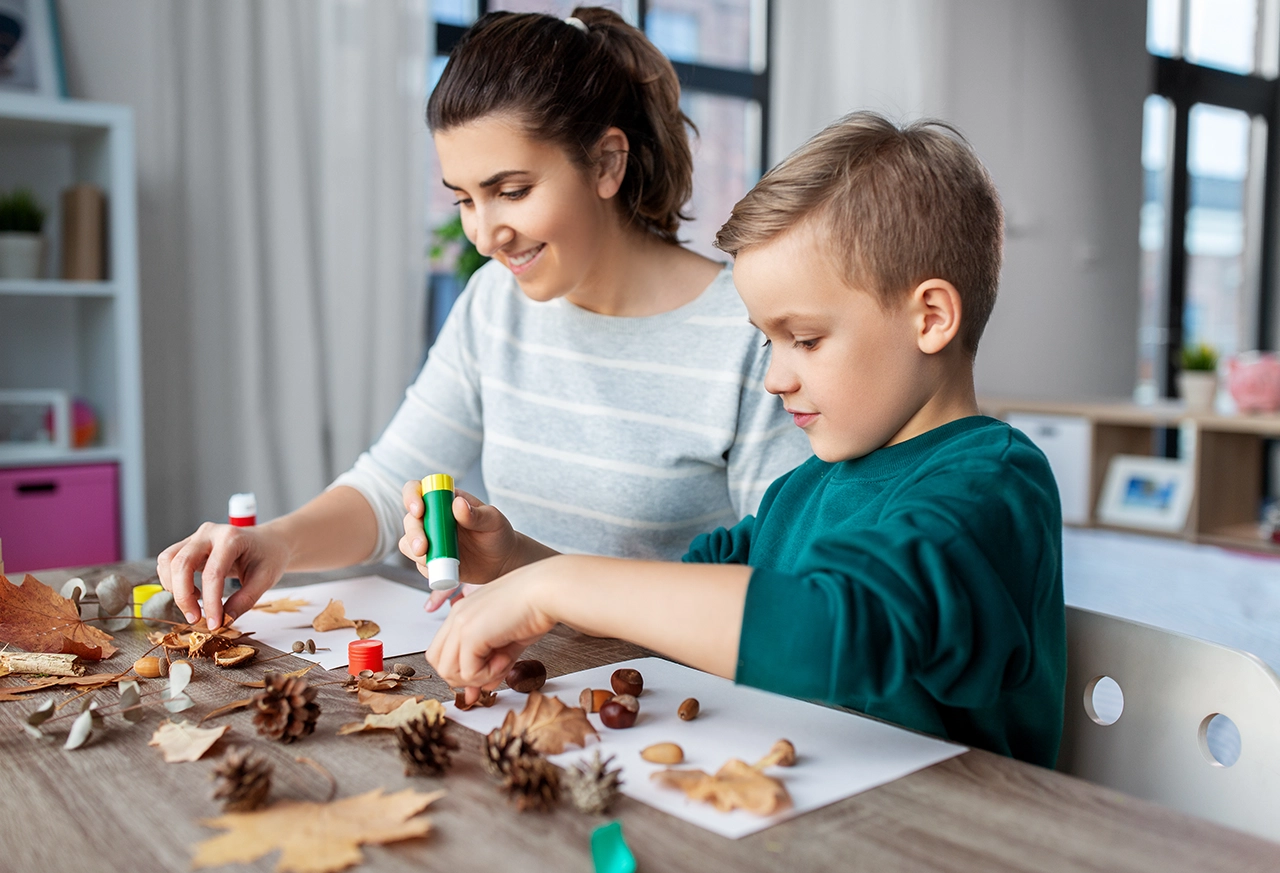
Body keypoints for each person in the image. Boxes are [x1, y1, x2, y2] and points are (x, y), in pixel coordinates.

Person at [420, 112, 1068, 767]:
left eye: (806, 339)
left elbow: (835, 629)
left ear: (929, 318)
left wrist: (555, 586)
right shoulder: (805, 488)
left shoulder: (991, 486)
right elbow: (667, 602)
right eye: (767, 340)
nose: (775, 378)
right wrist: (515, 561)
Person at [155, 7, 811, 630]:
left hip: (681, 700)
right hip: (523, 675)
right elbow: (389, 486)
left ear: (608, 162)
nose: (484, 233)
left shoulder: (748, 331)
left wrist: (539, 579)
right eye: (465, 199)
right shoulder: (495, 304)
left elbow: (782, 586)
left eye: (511, 191)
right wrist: (275, 542)